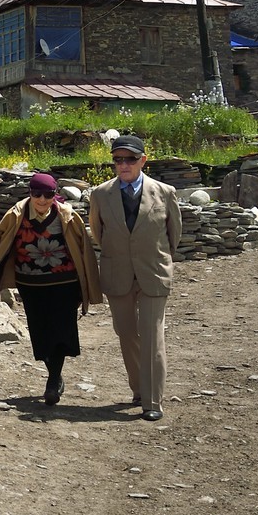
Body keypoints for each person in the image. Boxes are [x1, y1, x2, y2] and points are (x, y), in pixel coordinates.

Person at [0, 171, 101, 406]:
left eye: (48, 195)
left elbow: (82, 252)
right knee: (40, 332)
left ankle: (53, 381)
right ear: (30, 193)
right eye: (37, 194)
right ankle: (55, 375)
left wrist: (85, 286)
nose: (42, 199)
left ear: (54, 194)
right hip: (31, 284)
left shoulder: (67, 216)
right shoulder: (16, 216)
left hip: (64, 283)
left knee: (61, 330)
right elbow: (2, 249)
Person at [87, 134, 182, 422]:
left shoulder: (165, 192)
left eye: (130, 159)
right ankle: (139, 388)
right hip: (118, 274)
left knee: (152, 336)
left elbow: (174, 234)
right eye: (118, 159)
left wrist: (157, 258)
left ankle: (153, 401)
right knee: (127, 334)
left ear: (143, 160)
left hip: (153, 273)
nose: (124, 164)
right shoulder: (100, 194)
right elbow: (98, 233)